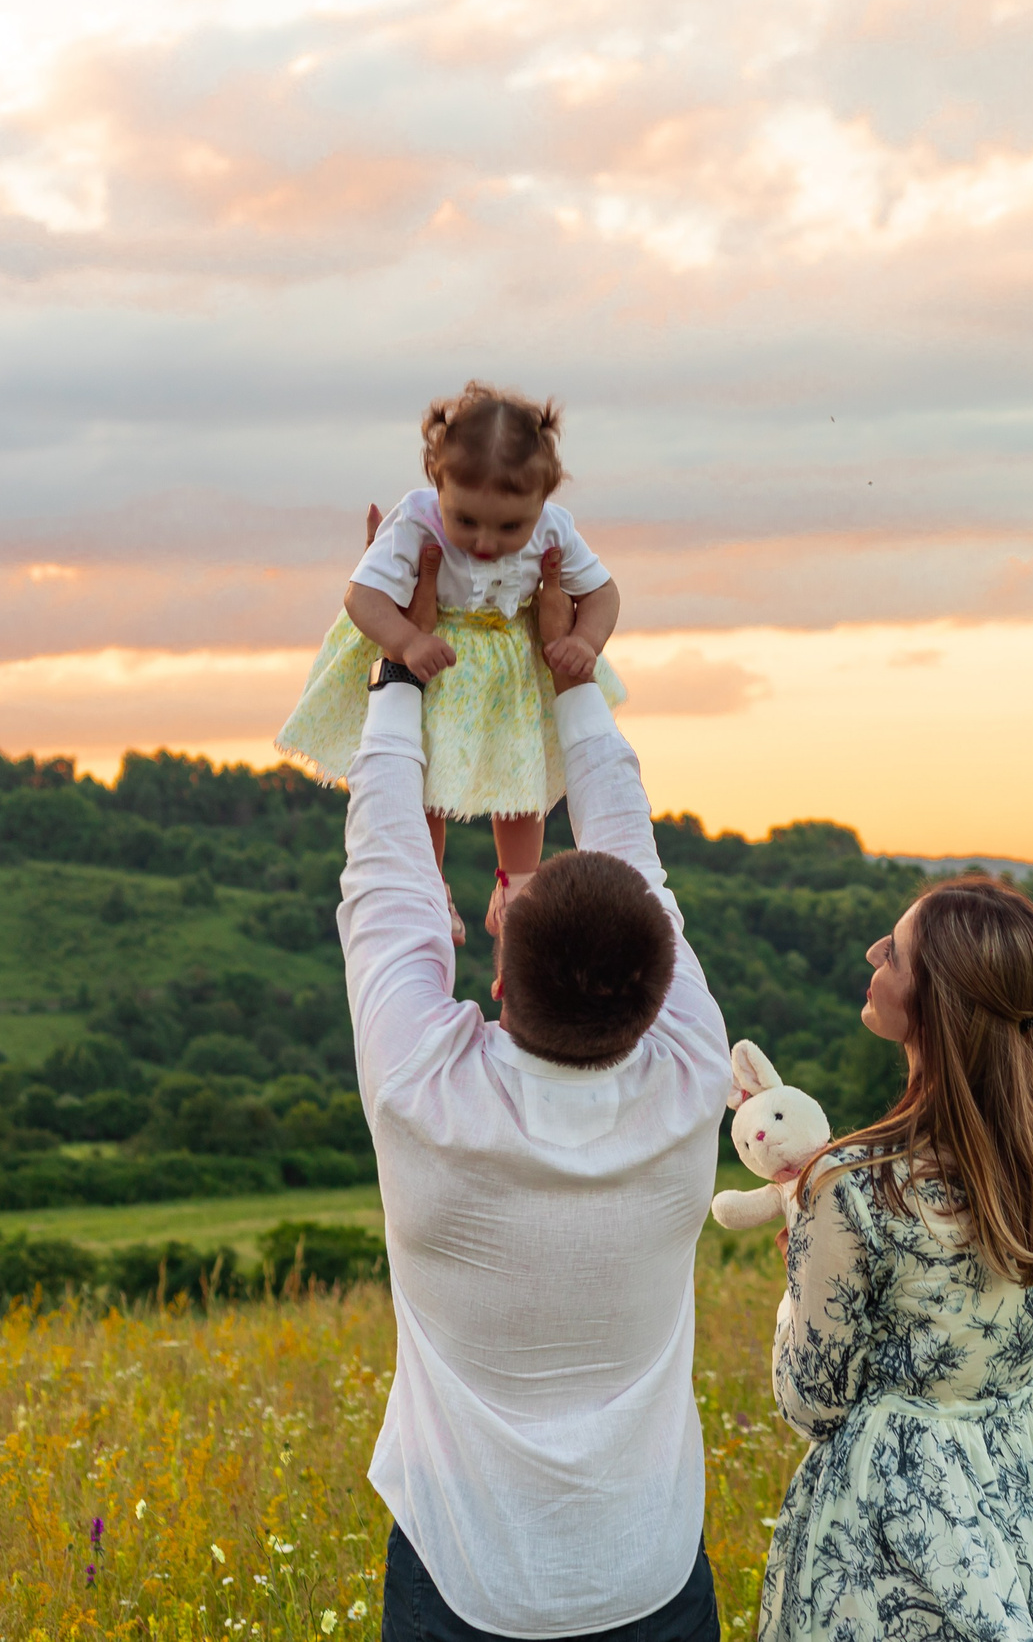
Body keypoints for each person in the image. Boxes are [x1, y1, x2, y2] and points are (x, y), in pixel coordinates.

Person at [339, 542, 733, 1641]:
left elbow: (387, 874)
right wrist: (570, 674)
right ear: (662, 994)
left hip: (465, 1574)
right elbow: (630, 853)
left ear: (498, 980)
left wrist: (401, 667)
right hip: (649, 1567)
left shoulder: (425, 1094)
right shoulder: (696, 1072)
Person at [760, 875, 1033, 1641]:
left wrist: (799, 1281)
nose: (874, 954)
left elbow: (811, 1401)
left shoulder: (850, 1187)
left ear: (932, 1003)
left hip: (899, 1526)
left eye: (896, 953)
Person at [281, 381, 628, 940]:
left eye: (510, 527)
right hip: (434, 655)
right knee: (425, 779)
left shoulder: (555, 528)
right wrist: (406, 641)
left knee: (521, 780)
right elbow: (361, 596)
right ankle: (428, 885)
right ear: (436, 483)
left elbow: (604, 594)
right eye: (465, 521)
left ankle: (519, 887)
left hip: (510, 663)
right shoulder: (415, 518)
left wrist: (585, 642)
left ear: (542, 500)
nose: (486, 541)